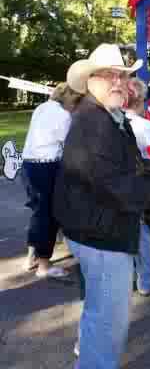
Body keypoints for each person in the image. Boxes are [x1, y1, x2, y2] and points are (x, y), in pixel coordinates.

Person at [53, 43, 150, 369]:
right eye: (106, 76)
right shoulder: (94, 122)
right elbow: (112, 184)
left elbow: (128, 166)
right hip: (100, 233)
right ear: (89, 82)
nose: (117, 81)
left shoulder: (108, 115)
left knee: (98, 311)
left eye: (121, 75)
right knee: (108, 320)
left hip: (95, 228)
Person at [22, 83, 82, 277]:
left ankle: (32, 256)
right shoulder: (63, 115)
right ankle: (44, 266)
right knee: (48, 215)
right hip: (46, 166)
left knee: (38, 213)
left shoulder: (42, 107)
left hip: (29, 164)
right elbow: (71, 144)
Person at [126, 77, 150, 296]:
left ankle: (130, 277)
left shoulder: (115, 124)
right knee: (143, 238)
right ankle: (145, 281)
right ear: (141, 101)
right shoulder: (148, 127)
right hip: (144, 186)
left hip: (121, 187)